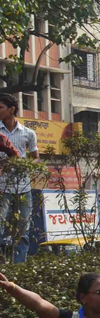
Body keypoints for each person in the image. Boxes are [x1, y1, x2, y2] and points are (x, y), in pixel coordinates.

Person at [0, 93, 37, 263]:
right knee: (1, 228)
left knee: (22, 230)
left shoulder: (28, 133)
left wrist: (23, 164)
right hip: (2, 188)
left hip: (23, 188)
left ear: (12, 109)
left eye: (0, 107)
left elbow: (35, 158)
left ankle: (20, 268)